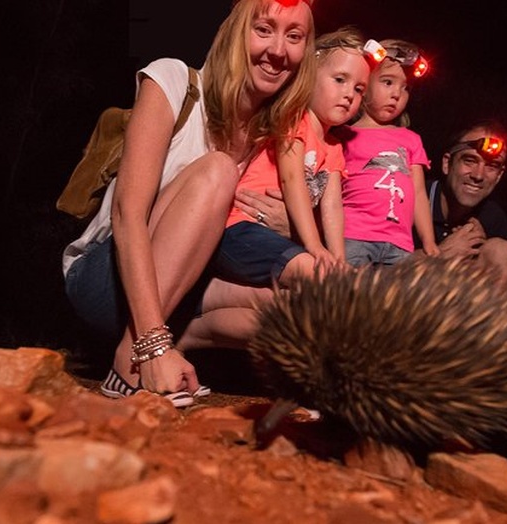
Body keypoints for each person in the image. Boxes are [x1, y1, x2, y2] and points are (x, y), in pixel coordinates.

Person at [62, 0, 316, 407]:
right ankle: (133, 359)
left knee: (300, 307)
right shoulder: (173, 81)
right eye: (264, 30)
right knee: (216, 170)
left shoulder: (274, 138)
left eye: (294, 36)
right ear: (236, 33)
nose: (278, 51)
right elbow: (127, 216)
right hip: (108, 278)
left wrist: (289, 224)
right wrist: (147, 342)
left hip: (185, 290)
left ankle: (178, 344)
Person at [214, 27, 370, 287]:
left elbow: (332, 206)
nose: (349, 94)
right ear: (309, 76)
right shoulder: (293, 118)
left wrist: (338, 258)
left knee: (339, 279)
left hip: (277, 240)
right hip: (239, 229)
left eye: (359, 89)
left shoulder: (334, 147)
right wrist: (314, 246)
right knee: (319, 276)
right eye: (340, 80)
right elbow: (291, 180)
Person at [335, 38, 439, 266]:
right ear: (365, 81)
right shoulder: (343, 134)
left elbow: (419, 192)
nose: (396, 94)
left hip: (400, 244)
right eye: (387, 82)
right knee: (348, 298)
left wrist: (428, 241)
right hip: (354, 235)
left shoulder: (411, 139)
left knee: (392, 301)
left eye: (405, 88)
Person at [416, 120, 507, 286]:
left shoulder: (492, 217)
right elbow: (378, 269)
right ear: (447, 164)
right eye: (469, 160)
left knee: (501, 251)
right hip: (400, 304)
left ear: (499, 176)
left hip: (455, 306)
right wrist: (439, 255)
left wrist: (481, 253)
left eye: (492, 166)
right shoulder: (411, 198)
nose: (478, 175)